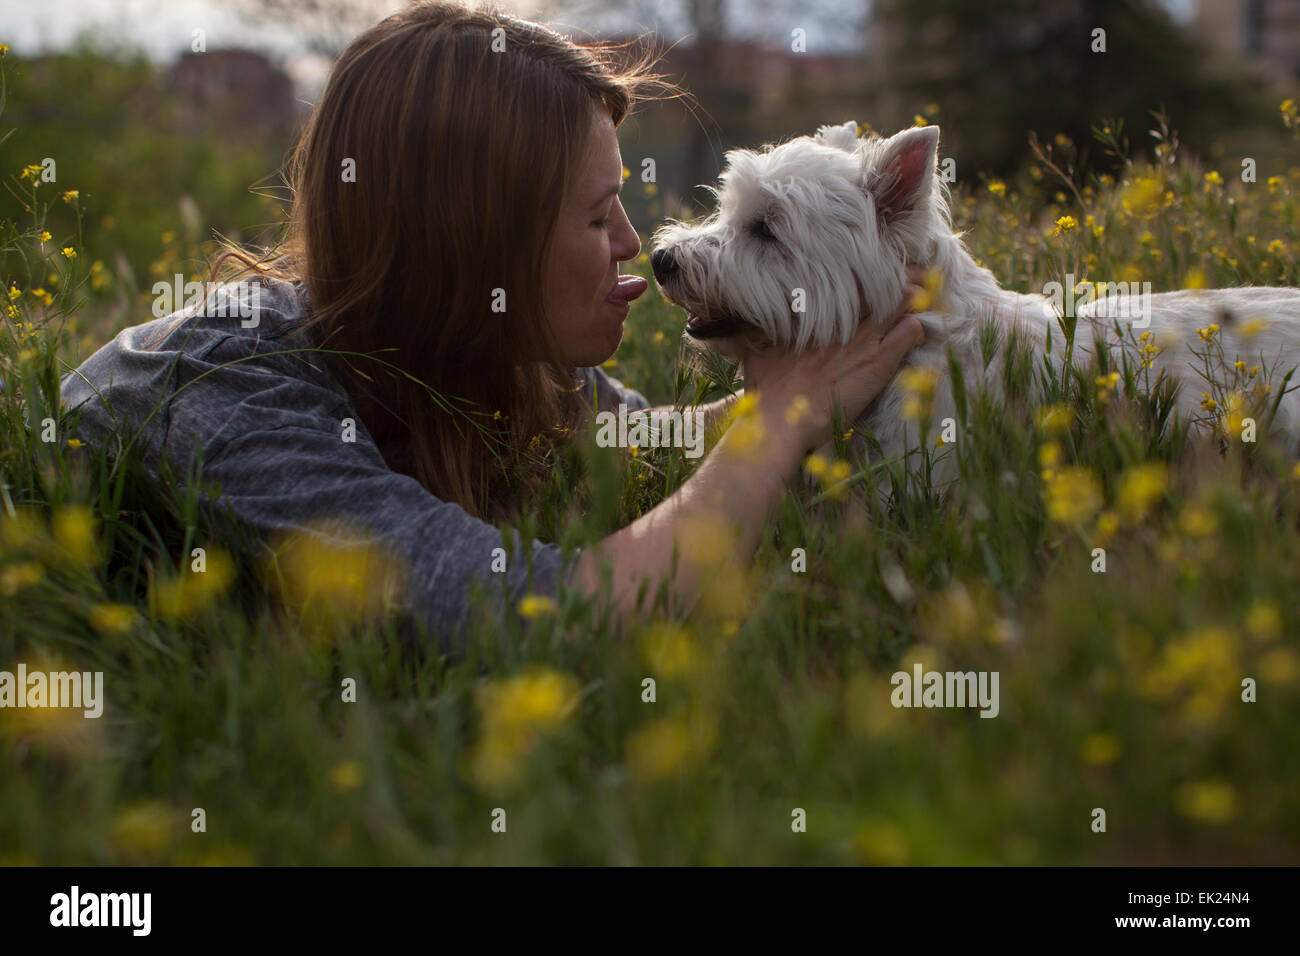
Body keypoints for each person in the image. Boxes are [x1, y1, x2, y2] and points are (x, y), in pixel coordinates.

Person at [59, 1, 925, 654]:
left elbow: (630, 439)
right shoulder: (233, 397)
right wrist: (775, 429)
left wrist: (821, 383)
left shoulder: (496, 351)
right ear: (472, 248)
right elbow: (549, 617)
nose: (633, 245)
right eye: (596, 218)